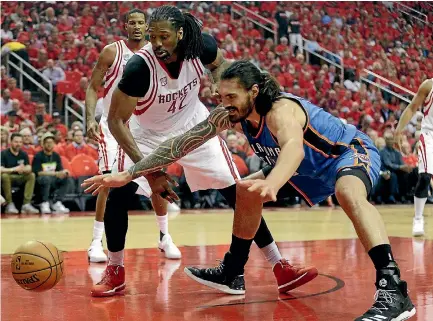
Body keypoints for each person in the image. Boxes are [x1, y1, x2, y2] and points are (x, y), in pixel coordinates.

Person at [84, 61, 416, 321]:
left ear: (254, 91)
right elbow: (178, 146)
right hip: (304, 171)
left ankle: (392, 288)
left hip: (346, 153)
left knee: (348, 193)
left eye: (231, 97)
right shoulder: (232, 114)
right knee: (245, 189)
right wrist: (129, 172)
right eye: (220, 97)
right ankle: (233, 271)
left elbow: (294, 151)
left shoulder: (281, 111)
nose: (224, 104)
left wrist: (272, 183)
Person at [86, 7, 317, 297]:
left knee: (240, 192)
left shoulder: (202, 46)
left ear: (180, 34)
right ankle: (115, 270)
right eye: (152, 36)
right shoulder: (139, 68)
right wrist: (153, 172)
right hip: (147, 135)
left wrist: (224, 94)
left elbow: (222, 67)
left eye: (164, 36)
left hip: (194, 123)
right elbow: (116, 121)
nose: (157, 43)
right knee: (119, 193)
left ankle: (280, 266)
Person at [85, 9, 147, 263]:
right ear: (125, 26)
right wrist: (90, 118)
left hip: (142, 127)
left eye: (141, 23)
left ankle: (165, 235)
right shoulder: (112, 52)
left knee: (154, 176)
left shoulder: (154, 54)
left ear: (147, 26)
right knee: (109, 179)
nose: (136, 26)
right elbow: (92, 87)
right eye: (131, 22)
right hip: (112, 127)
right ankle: (95, 241)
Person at [396, 78, 433, 237]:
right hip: (429, 134)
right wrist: (399, 129)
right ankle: (418, 218)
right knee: (425, 176)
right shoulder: (428, 85)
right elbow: (412, 108)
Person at [32, 132, 70, 214]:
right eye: (47, 143)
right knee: (46, 179)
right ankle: (44, 203)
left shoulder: (56, 156)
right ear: (43, 144)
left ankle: (57, 202)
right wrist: (54, 174)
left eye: (51, 142)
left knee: (65, 178)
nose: (49, 145)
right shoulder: (38, 156)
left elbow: (59, 170)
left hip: (53, 180)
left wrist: (64, 172)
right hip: (39, 181)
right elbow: (38, 173)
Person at [1, 133, 39, 214]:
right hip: (9, 177)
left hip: (20, 177)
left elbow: (29, 167)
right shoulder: (3, 153)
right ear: (10, 142)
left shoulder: (23, 154)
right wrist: (14, 169)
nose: (18, 144)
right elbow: (1, 169)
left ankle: (26, 204)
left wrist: (25, 168)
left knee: (31, 175)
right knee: (4, 176)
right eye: (16, 142)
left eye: (20, 142)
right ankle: (9, 204)